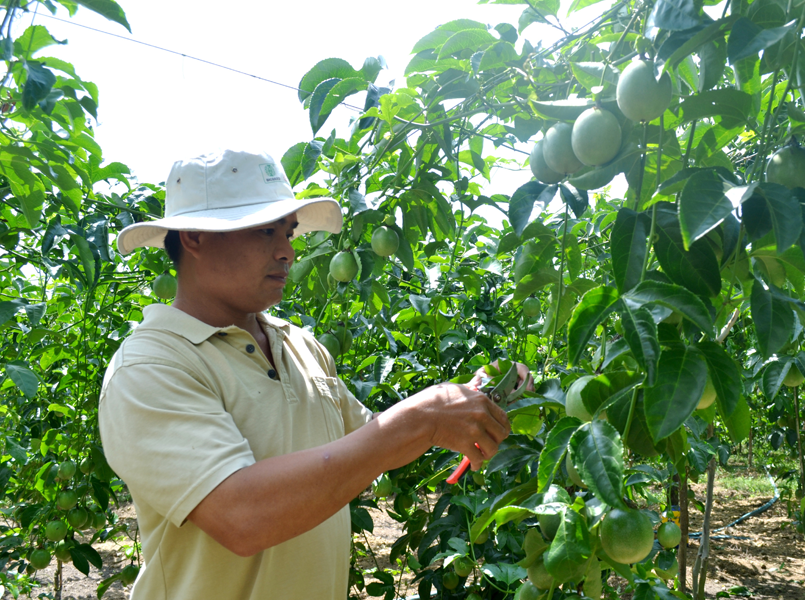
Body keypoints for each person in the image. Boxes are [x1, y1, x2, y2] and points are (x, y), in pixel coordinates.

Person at [98, 149, 530, 600]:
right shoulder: (152, 365)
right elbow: (240, 516)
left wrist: (472, 397)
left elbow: (367, 444)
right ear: (194, 238)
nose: (287, 251)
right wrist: (423, 417)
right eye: (266, 231)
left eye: (287, 232)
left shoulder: (300, 345)